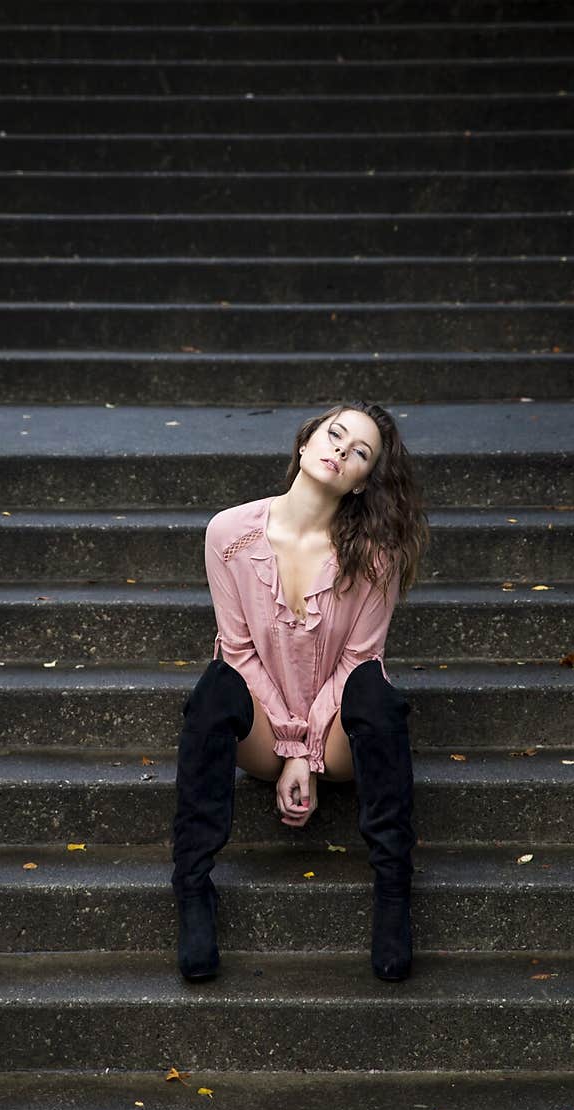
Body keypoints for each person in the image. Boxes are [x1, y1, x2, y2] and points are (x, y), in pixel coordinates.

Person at [171, 399, 429, 984]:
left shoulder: (374, 558)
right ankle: (192, 888)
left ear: (365, 481)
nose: (341, 450)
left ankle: (393, 893)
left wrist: (311, 754)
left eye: (360, 452)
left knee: (375, 693)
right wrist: (287, 750)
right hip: (262, 730)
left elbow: (359, 661)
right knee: (216, 687)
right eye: (335, 435)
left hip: (338, 736)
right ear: (307, 439)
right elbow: (237, 652)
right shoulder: (229, 534)